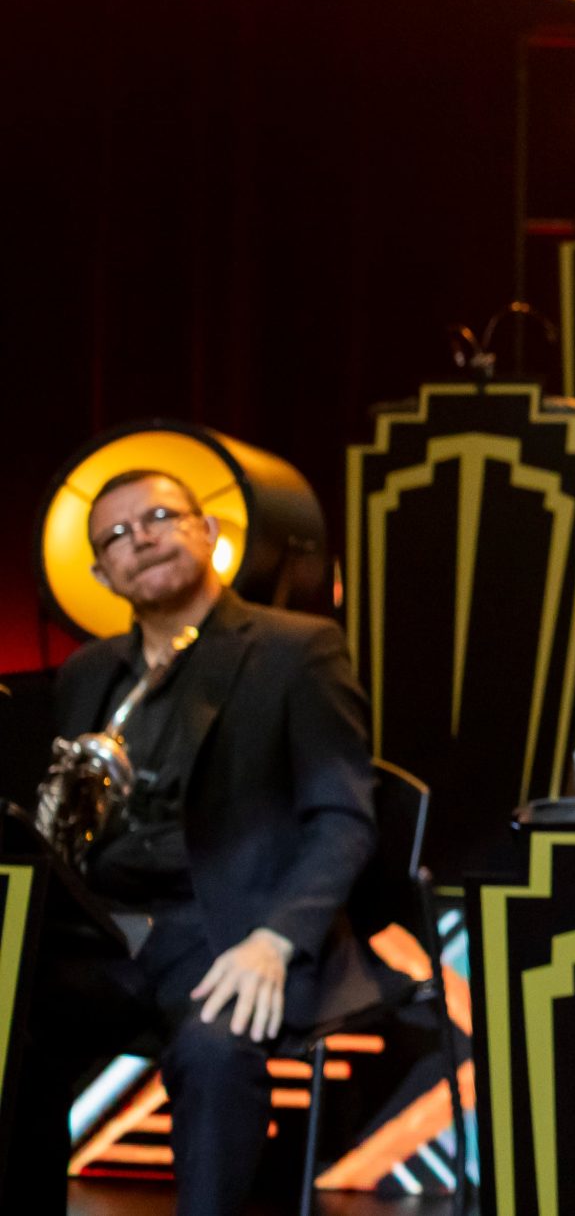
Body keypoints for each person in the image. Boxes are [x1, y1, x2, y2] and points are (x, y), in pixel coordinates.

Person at [10, 471, 388, 1216]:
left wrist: (275, 942)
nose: (142, 539)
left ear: (209, 532)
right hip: (110, 935)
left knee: (215, 1052)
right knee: (10, 1024)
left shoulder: (298, 647)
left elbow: (343, 817)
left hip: (229, 931)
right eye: (117, 536)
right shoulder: (89, 671)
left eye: (159, 516)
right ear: (100, 574)